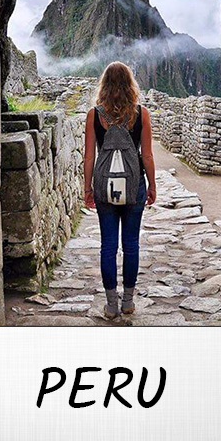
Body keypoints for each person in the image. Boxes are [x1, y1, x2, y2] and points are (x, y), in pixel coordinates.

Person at [84, 62, 156, 319]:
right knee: (131, 244)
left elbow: (89, 157)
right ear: (130, 85)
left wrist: (87, 188)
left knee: (108, 246)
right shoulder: (141, 114)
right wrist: (152, 185)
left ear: (104, 85)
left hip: (104, 188)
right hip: (134, 186)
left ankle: (111, 304)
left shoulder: (94, 115)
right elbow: (147, 155)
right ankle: (128, 301)